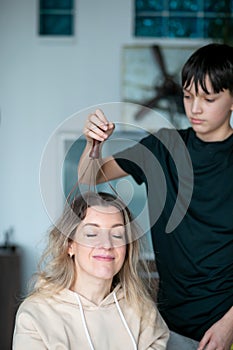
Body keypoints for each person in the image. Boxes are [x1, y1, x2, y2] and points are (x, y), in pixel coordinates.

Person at [78, 43, 233, 350]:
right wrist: (92, 146)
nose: (195, 109)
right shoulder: (163, 147)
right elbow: (89, 177)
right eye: (188, 97)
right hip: (168, 328)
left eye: (209, 98)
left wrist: (230, 325)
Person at [13, 191, 169, 349]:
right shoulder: (35, 314)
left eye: (117, 235)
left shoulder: (141, 310)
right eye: (92, 234)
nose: (107, 244)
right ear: (70, 245)